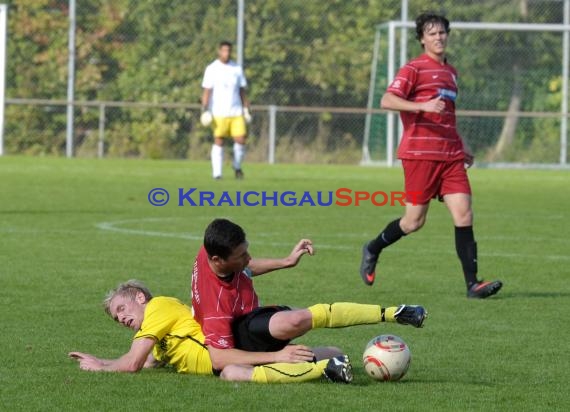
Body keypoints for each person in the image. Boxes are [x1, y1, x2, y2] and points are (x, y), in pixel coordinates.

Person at [359, 13, 502, 299]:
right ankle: (373, 247)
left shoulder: (452, 72)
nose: (438, 37)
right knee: (414, 222)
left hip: (450, 157)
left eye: (442, 33)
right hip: (420, 155)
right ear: (422, 38)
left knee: (464, 213)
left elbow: (448, 116)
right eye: (432, 33)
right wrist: (422, 105)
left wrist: (461, 146)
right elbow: (387, 100)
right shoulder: (414, 68)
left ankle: (473, 284)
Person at [190, 218, 427, 372]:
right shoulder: (215, 308)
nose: (248, 257)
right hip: (241, 337)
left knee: (336, 353)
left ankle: (393, 314)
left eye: (246, 250)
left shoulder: (210, 249)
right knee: (297, 321)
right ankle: (391, 314)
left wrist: (286, 261)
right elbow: (219, 359)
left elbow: (246, 268)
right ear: (217, 259)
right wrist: (276, 357)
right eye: (241, 255)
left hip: (252, 322)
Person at [68, 280, 353, 384]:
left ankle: (325, 369)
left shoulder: (157, 308)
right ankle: (335, 359)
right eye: (116, 317)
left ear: (139, 297)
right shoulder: (157, 334)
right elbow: (146, 361)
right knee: (323, 354)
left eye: (121, 308)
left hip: (230, 354)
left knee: (234, 374)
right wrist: (101, 360)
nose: (120, 318)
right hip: (230, 356)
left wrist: (99, 370)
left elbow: (132, 365)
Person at [201, 40, 251, 180]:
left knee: (240, 139)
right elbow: (207, 91)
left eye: (228, 51)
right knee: (219, 140)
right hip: (218, 112)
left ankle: (237, 166)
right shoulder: (212, 68)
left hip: (236, 111)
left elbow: (242, 91)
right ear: (219, 51)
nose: (226, 53)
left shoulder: (236, 68)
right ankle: (217, 173)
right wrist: (205, 109)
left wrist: (246, 108)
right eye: (224, 51)